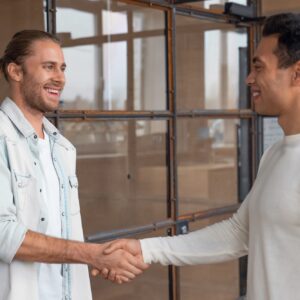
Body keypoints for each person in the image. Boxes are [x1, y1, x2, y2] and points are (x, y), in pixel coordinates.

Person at [101, 13, 300, 299]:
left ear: (296, 73)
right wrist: (147, 249)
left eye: (259, 68)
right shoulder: (274, 154)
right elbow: (239, 233)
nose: (249, 79)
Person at [0, 30, 148, 300]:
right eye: (48, 67)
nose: (60, 78)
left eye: (62, 68)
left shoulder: (62, 148)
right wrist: (93, 255)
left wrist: (100, 258)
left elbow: (62, 233)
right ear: (15, 71)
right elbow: (3, 233)